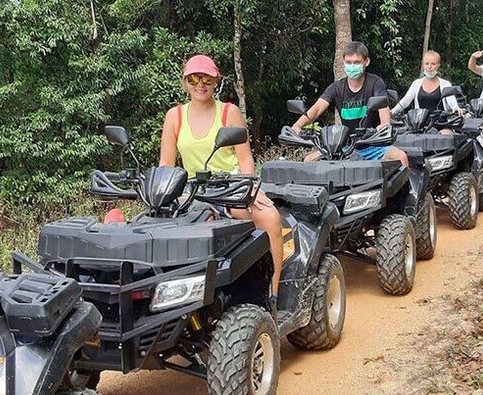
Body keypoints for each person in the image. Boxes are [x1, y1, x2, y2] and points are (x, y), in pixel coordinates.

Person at [159, 54, 284, 310]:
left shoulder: (229, 112)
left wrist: (247, 188)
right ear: (185, 82)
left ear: (216, 81)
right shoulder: (175, 116)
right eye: (194, 78)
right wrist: (162, 194)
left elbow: (245, 159)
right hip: (192, 193)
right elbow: (165, 166)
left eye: (206, 78)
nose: (200, 84)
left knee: (270, 219)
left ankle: (272, 291)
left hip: (229, 187)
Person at [290, 41, 410, 167]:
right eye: (348, 62)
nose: (352, 66)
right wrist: (297, 126)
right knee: (308, 160)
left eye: (356, 62)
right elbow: (317, 108)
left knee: (401, 157)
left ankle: (407, 187)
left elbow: (383, 107)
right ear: (343, 62)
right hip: (344, 148)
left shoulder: (375, 83)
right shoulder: (336, 88)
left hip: (373, 144)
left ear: (366, 62)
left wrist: (384, 125)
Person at [391, 50, 461, 132]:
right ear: (423, 65)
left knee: (446, 135)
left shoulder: (445, 84)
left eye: (433, 64)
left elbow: (451, 99)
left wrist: (455, 108)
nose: (429, 67)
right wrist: (391, 112)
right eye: (427, 63)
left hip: (441, 126)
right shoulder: (416, 83)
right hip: (419, 127)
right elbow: (405, 101)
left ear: (438, 66)